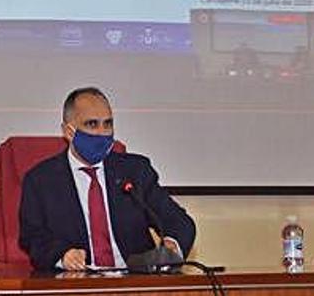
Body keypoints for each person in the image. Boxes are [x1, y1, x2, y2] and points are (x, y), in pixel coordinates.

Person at [19, 87, 195, 271]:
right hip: (77, 282)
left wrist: (172, 246)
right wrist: (63, 255)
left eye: (108, 124)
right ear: (69, 132)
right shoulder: (41, 180)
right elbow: (32, 236)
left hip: (136, 281)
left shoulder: (135, 171)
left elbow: (178, 221)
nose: (102, 132)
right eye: (92, 124)